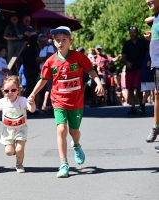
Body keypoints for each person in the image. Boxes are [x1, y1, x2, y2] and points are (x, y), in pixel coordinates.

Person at [27, 26, 104, 178]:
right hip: (58, 101)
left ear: (70, 41)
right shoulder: (51, 61)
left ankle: (76, 145)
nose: (60, 42)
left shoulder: (78, 57)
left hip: (76, 102)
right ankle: (63, 164)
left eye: (64, 40)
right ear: (53, 43)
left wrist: (99, 83)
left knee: (74, 132)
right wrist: (33, 94)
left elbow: (91, 71)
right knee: (61, 130)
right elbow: (43, 80)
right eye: (57, 40)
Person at [0, 75, 36, 173]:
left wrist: (32, 104)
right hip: (8, 131)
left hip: (21, 129)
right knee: (9, 152)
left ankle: (19, 164)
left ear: (18, 90)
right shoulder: (2, 102)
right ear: (3, 91)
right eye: (7, 91)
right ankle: (14, 150)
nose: (10, 93)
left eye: (13, 90)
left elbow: (32, 110)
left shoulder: (22, 100)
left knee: (20, 149)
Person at [122, 26, 147, 115]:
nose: (132, 34)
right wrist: (127, 62)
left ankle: (141, 104)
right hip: (130, 69)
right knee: (130, 88)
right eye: (131, 32)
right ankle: (133, 107)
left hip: (140, 67)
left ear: (137, 33)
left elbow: (148, 52)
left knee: (138, 86)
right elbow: (123, 57)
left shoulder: (143, 42)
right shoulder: (127, 44)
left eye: (134, 32)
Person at [144, 0, 159, 145]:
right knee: (156, 94)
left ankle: (156, 127)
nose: (147, 1)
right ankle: (156, 126)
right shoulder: (156, 18)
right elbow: (146, 19)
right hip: (156, 63)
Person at [36, 34, 55, 111]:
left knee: (49, 89)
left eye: (40, 41)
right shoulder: (41, 49)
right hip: (42, 71)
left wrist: (41, 59)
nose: (39, 42)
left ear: (44, 41)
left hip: (48, 71)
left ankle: (46, 105)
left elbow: (50, 57)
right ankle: (38, 106)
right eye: (38, 41)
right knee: (39, 89)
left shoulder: (49, 47)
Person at [139, 41, 154, 115]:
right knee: (155, 92)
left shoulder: (147, 54)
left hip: (144, 75)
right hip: (149, 75)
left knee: (147, 93)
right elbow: (149, 64)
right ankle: (155, 110)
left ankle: (141, 107)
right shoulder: (152, 54)